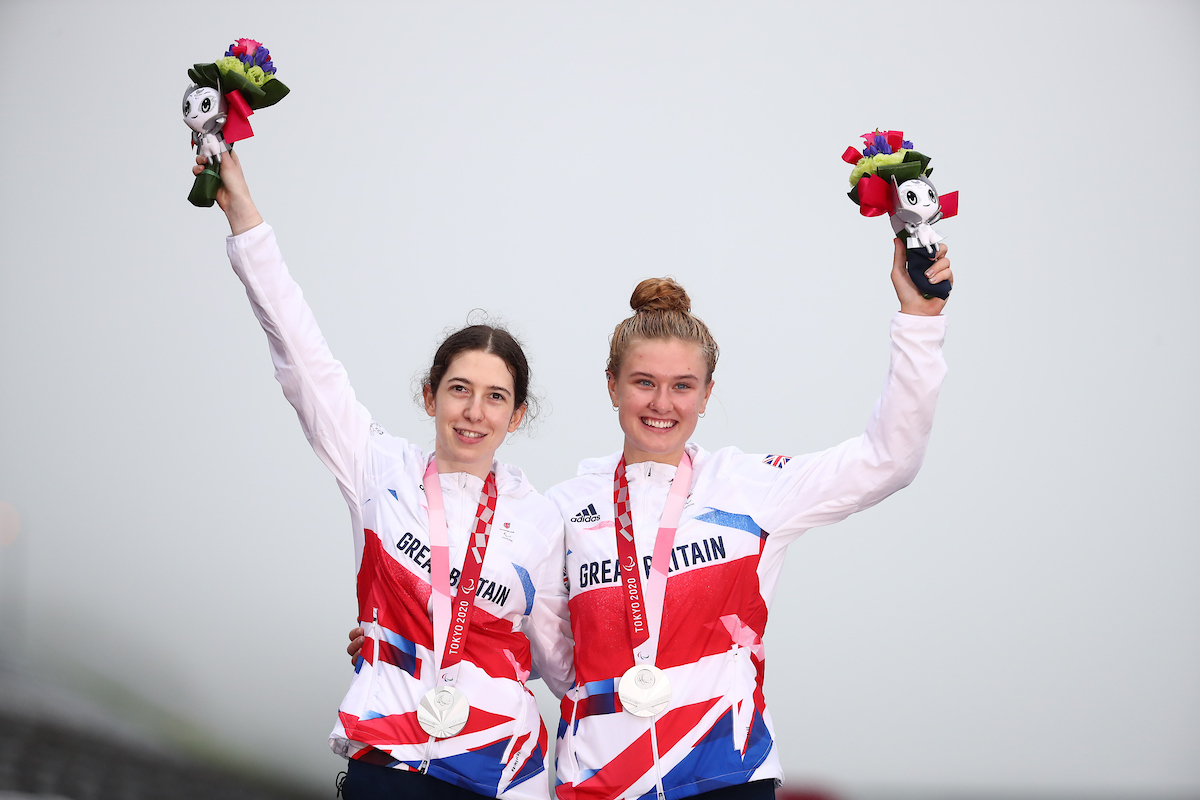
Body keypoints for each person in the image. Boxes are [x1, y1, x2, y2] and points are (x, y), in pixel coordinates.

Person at [349, 243, 952, 799]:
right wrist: (407, 645)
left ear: (707, 393)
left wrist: (919, 322)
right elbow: (527, 639)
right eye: (644, 383)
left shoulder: (754, 489)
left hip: (725, 774)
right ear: (611, 386)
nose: (662, 404)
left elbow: (889, 459)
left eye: (682, 386)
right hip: (601, 783)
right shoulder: (560, 510)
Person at [199, 151, 573, 800]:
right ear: (429, 397)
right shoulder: (377, 468)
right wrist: (241, 212)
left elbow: (558, 662)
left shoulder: (540, 523)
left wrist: (441, 641)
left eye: (494, 397)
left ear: (516, 417)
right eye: (459, 389)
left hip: (502, 776)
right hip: (389, 764)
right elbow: (301, 354)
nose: (474, 411)